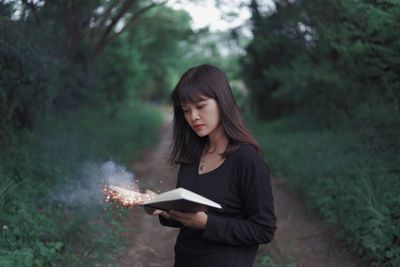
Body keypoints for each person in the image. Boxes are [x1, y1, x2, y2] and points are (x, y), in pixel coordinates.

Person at [144, 64, 277, 267]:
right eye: (186, 110)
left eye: (200, 106)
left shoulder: (247, 159)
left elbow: (263, 229)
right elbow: (190, 216)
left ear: (221, 101)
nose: (193, 117)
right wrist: (163, 208)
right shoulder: (192, 157)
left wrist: (207, 224)